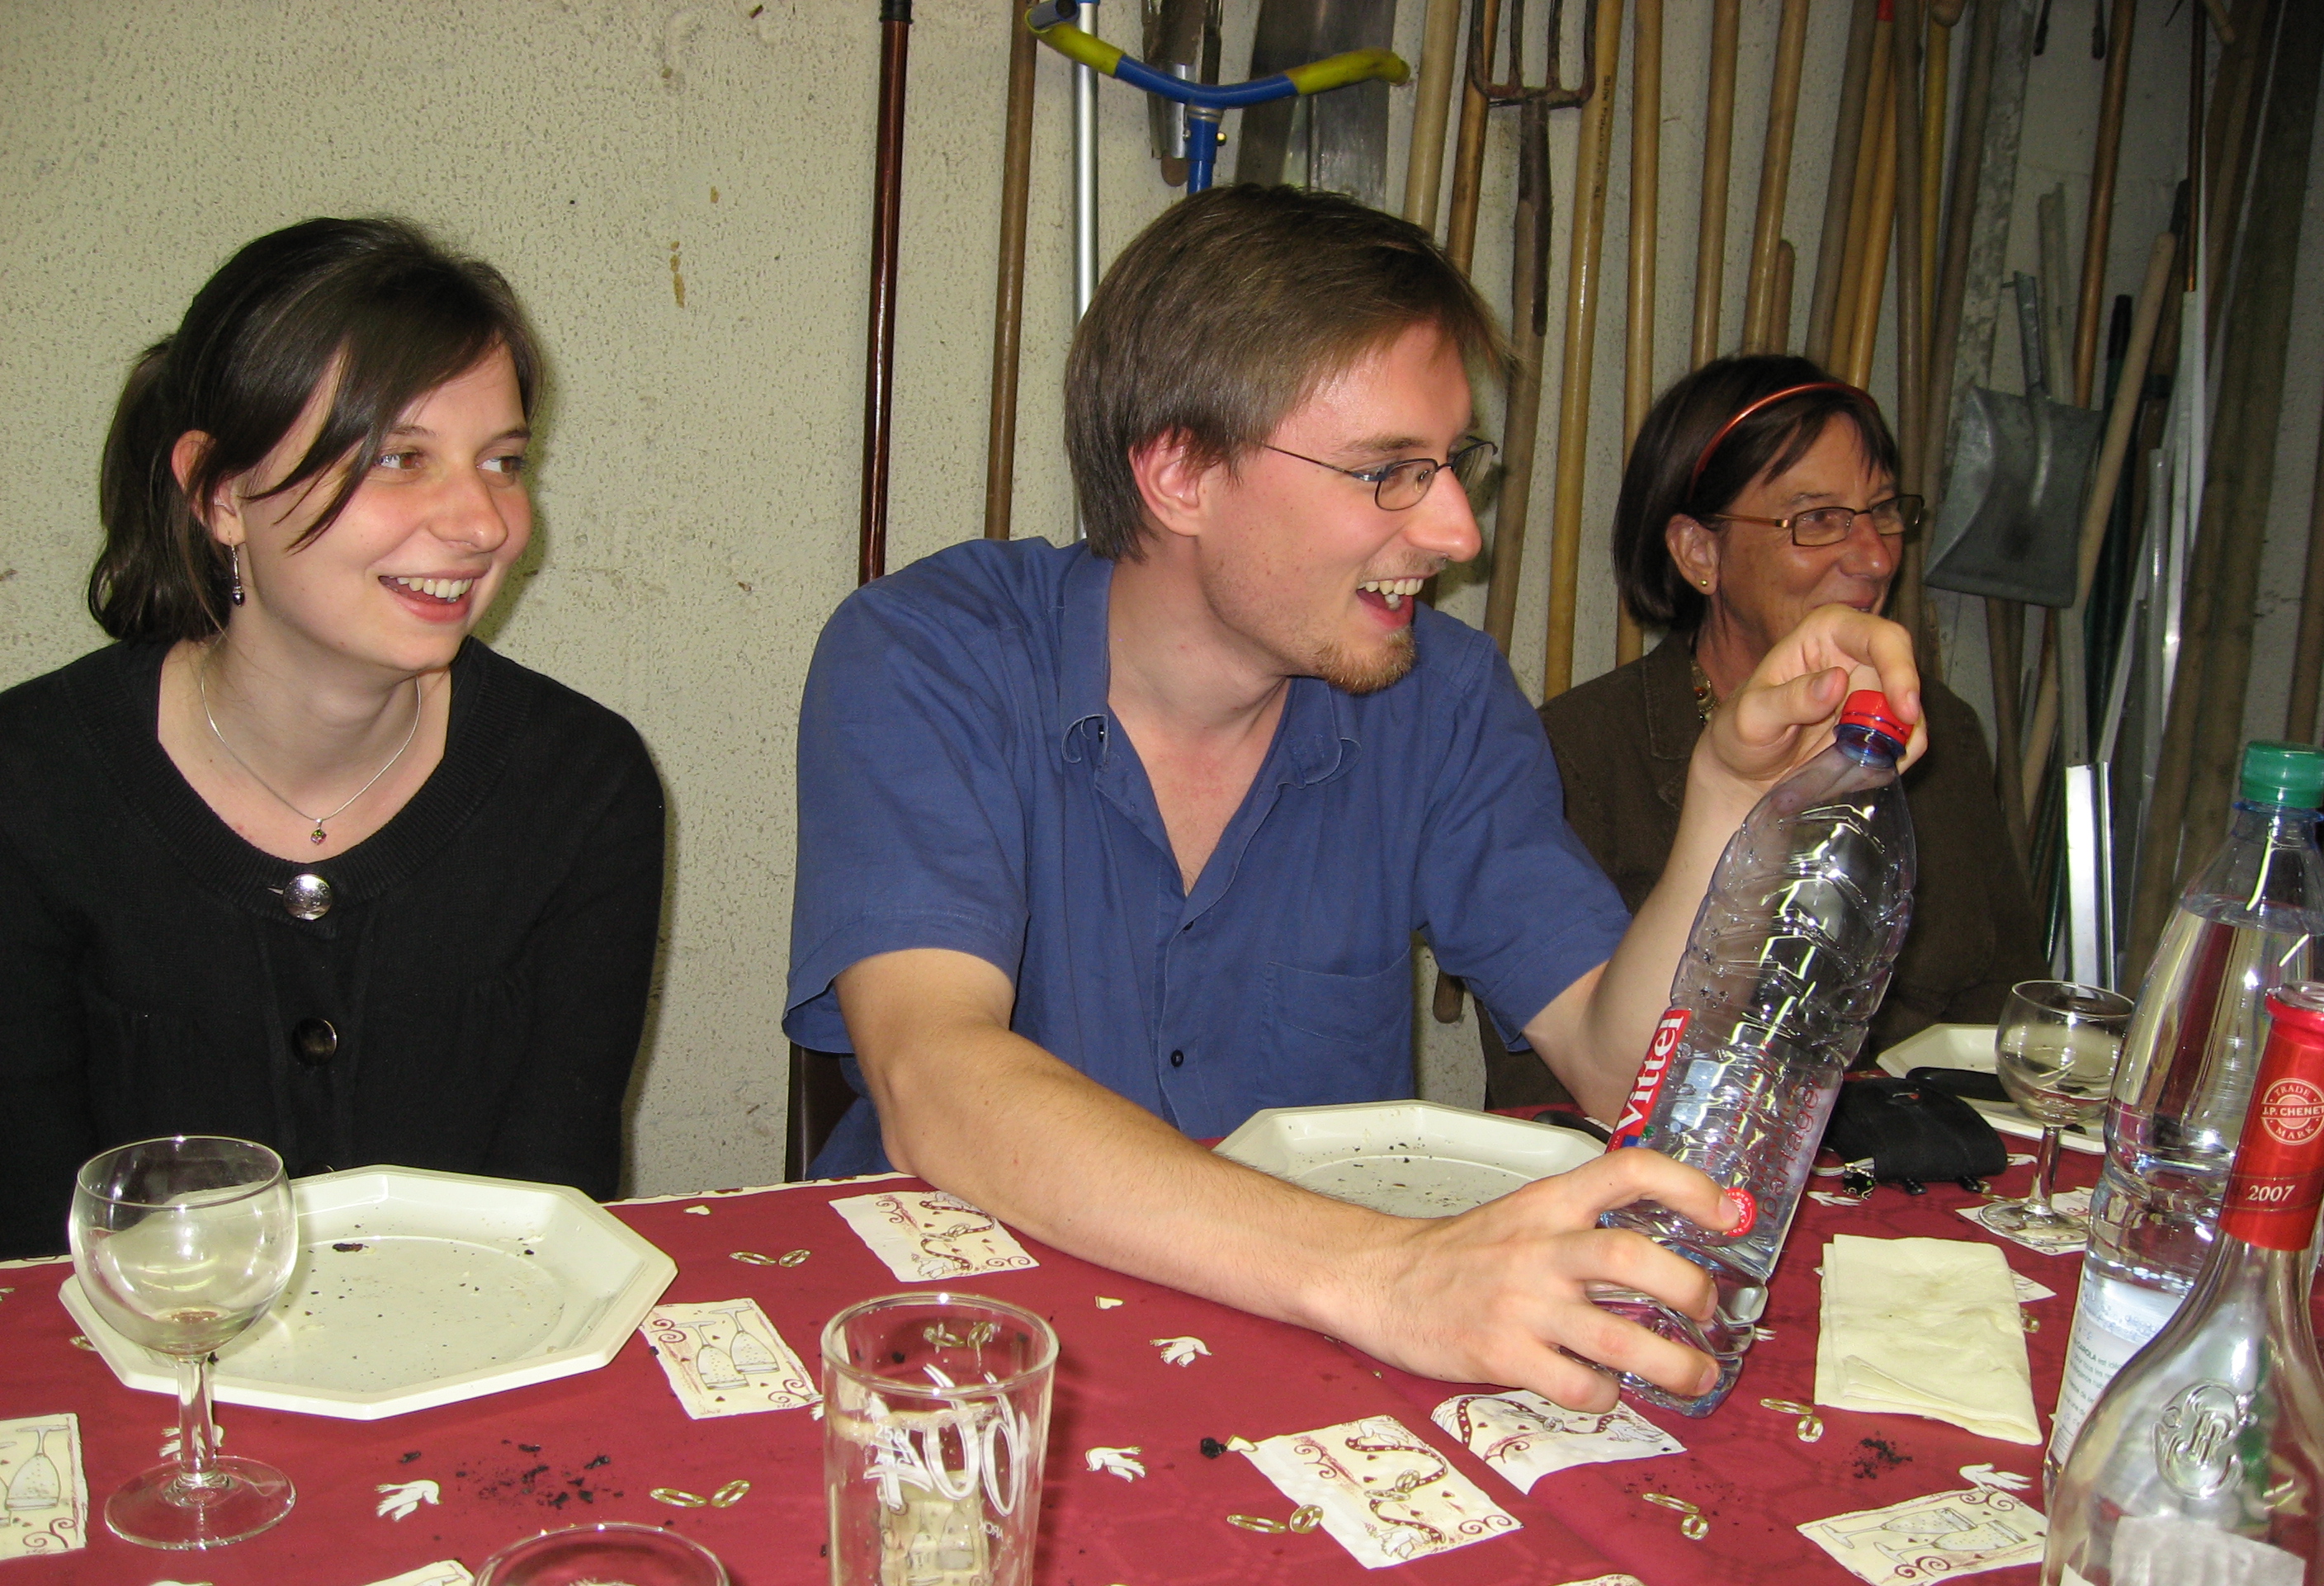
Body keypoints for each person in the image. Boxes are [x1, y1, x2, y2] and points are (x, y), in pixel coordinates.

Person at [786, 187, 1923, 1409]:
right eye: (1388, 472)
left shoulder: (1442, 699)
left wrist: (1730, 797)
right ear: (1180, 472)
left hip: (1291, 1360)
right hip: (960, 1357)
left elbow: (1614, 1069)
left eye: (1453, 465)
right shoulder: (928, 657)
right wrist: (1392, 1277)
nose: (1458, 532)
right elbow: (938, 1081)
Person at [0, 218, 664, 1260]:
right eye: (400, 457)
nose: (482, 522)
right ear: (220, 491)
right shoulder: (31, 788)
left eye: (502, 461)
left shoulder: (582, 787)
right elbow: (31, 1254)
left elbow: (549, 1218)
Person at [1480, 355, 2045, 1110]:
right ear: (1700, 553)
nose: (1876, 556)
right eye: (1818, 520)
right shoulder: (1572, 757)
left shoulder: (1936, 732)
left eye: (1883, 510)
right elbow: (1544, 1105)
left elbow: (2004, 1028)